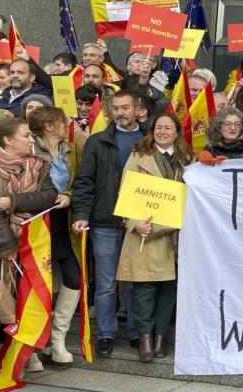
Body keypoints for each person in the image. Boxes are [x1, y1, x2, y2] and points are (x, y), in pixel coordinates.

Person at [0, 118, 61, 364]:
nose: (31, 140)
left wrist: (14, 201)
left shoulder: (37, 165)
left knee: (24, 300)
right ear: (7, 140)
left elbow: (49, 195)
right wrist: (7, 245)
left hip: (29, 244)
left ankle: (20, 356)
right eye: (26, 135)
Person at [71, 90, 147, 355]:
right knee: (105, 283)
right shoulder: (97, 141)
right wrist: (81, 214)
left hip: (141, 223)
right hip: (106, 221)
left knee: (138, 282)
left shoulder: (150, 138)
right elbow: (84, 182)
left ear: (137, 110)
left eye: (125, 107)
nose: (120, 112)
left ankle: (138, 333)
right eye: (116, 108)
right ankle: (106, 332)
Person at [116, 113, 192, 362]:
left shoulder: (187, 159)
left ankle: (161, 337)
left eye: (168, 128)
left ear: (177, 132)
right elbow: (126, 192)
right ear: (152, 130)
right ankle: (145, 338)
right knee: (144, 289)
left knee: (169, 288)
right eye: (158, 127)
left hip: (176, 234)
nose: (162, 131)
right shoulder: (139, 155)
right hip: (146, 233)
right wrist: (134, 223)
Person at [28, 107, 84, 364]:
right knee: (39, 283)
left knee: (73, 276)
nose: (67, 124)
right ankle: (32, 346)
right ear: (50, 126)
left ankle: (58, 339)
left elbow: (81, 181)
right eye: (63, 121)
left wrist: (69, 196)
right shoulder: (30, 150)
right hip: (38, 222)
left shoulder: (71, 150)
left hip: (65, 220)